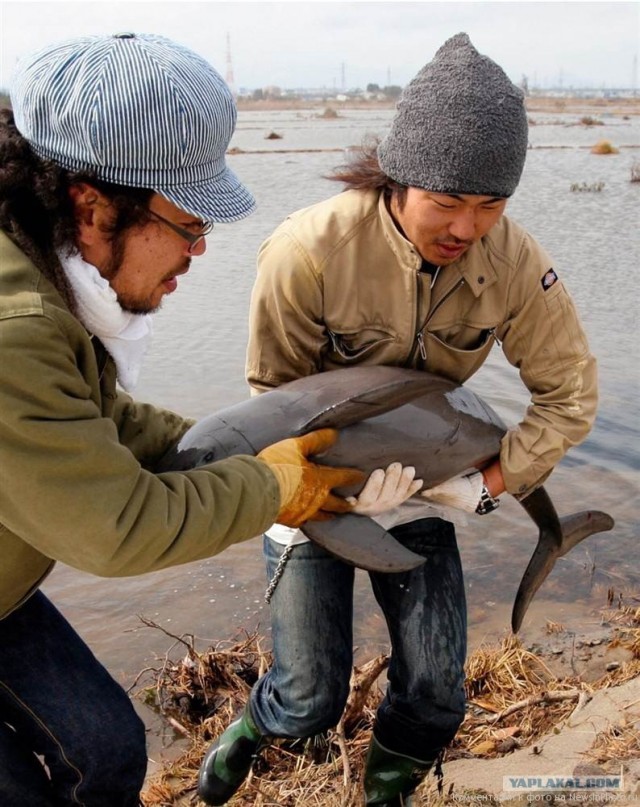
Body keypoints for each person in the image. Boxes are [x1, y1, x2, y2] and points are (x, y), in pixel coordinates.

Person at [0, 32, 417, 807]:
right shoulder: (13, 327)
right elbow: (115, 527)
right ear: (92, 201)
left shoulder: (40, 264)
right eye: (189, 224)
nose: (197, 251)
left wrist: (240, 447)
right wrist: (271, 486)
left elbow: (93, 417)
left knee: (107, 749)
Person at [197, 33, 598, 806]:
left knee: (440, 691)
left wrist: (487, 484)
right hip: (304, 484)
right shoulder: (306, 251)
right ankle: (252, 730)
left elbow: (570, 393)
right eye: (447, 203)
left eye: (491, 205)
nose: (467, 228)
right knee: (307, 699)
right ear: (397, 178)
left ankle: (385, 794)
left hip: (425, 479)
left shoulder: (510, 260)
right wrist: (324, 496)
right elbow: (274, 401)